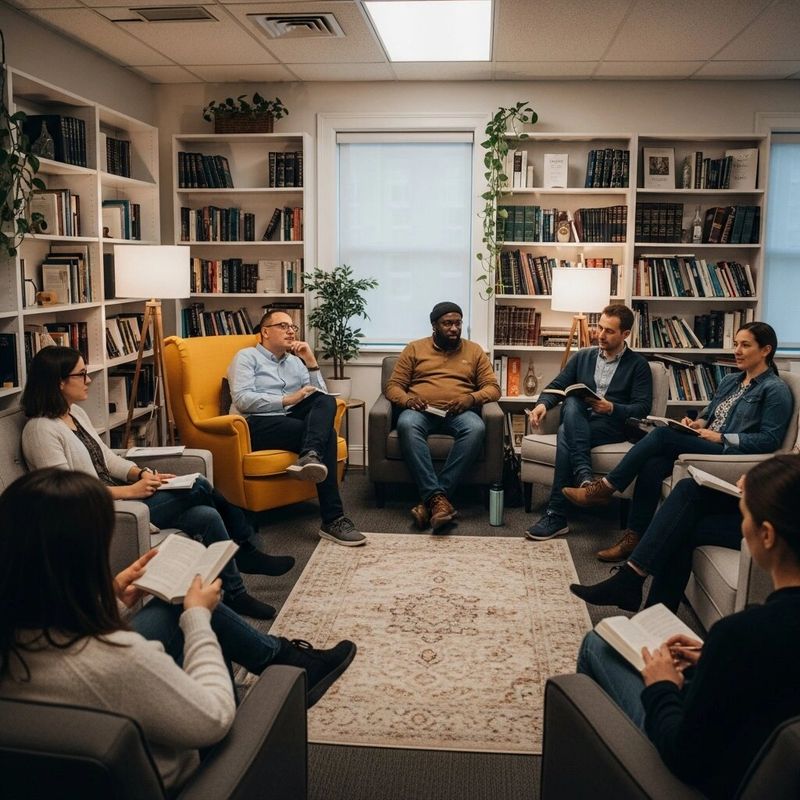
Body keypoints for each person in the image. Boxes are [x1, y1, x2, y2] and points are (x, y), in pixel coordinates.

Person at [0, 468, 356, 793]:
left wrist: (113, 598)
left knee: (171, 605)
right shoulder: (121, 659)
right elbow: (214, 719)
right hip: (194, 779)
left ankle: (278, 652)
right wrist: (198, 618)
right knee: (187, 607)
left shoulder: (14, 640)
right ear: (84, 559)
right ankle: (284, 660)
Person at [574, 454, 800, 799]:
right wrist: (712, 658)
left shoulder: (740, 634)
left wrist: (662, 686)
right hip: (761, 763)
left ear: (766, 535)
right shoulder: (746, 639)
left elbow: (684, 755)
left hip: (709, 781)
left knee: (597, 644)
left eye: (745, 516)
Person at [20, 345, 285, 620]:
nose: (88, 379)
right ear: (59, 381)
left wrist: (141, 473)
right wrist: (130, 491)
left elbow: (108, 459)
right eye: (81, 374)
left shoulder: (75, 413)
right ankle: (244, 545)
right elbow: (65, 492)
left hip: (123, 495)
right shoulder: (40, 430)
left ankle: (236, 592)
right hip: (101, 509)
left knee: (206, 515)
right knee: (198, 485)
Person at [563, 322, 793, 562]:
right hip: (707, 441)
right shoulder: (731, 380)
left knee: (661, 436)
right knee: (652, 464)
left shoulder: (774, 389)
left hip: (728, 452)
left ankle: (605, 488)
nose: (736, 351)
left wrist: (721, 437)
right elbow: (709, 413)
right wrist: (697, 424)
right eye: (735, 344)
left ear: (765, 350)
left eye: (745, 345)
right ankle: (634, 538)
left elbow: (769, 440)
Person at [227, 310, 365, 547]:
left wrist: (311, 362)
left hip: (290, 420)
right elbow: (242, 399)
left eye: (293, 327)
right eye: (283, 326)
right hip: (256, 424)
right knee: (328, 435)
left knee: (326, 401)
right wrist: (287, 400)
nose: (291, 331)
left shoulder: (295, 362)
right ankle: (333, 519)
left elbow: (319, 397)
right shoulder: (246, 357)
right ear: (265, 332)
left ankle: (309, 455)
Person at [524, 304, 653, 541]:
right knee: (572, 402)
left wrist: (611, 407)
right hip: (580, 418)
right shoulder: (583, 356)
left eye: (609, 331)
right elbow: (557, 386)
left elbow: (642, 407)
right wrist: (542, 404)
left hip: (611, 425)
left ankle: (556, 514)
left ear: (625, 334)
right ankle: (585, 482)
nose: (601, 335)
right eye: (600, 328)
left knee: (565, 432)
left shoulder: (638, 365)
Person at [384, 301, 501, 531]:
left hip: (459, 413)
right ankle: (439, 501)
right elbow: (393, 387)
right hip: (422, 412)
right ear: (434, 325)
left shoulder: (474, 351)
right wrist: (408, 401)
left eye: (458, 323)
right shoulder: (414, 349)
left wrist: (471, 398)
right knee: (406, 423)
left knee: (476, 428)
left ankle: (433, 500)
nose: (454, 328)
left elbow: (493, 389)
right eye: (447, 323)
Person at [570, 476, 741, 612]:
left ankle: (631, 585)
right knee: (685, 495)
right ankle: (650, 610)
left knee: (683, 516)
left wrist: (754, 483)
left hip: (755, 518)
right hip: (749, 503)